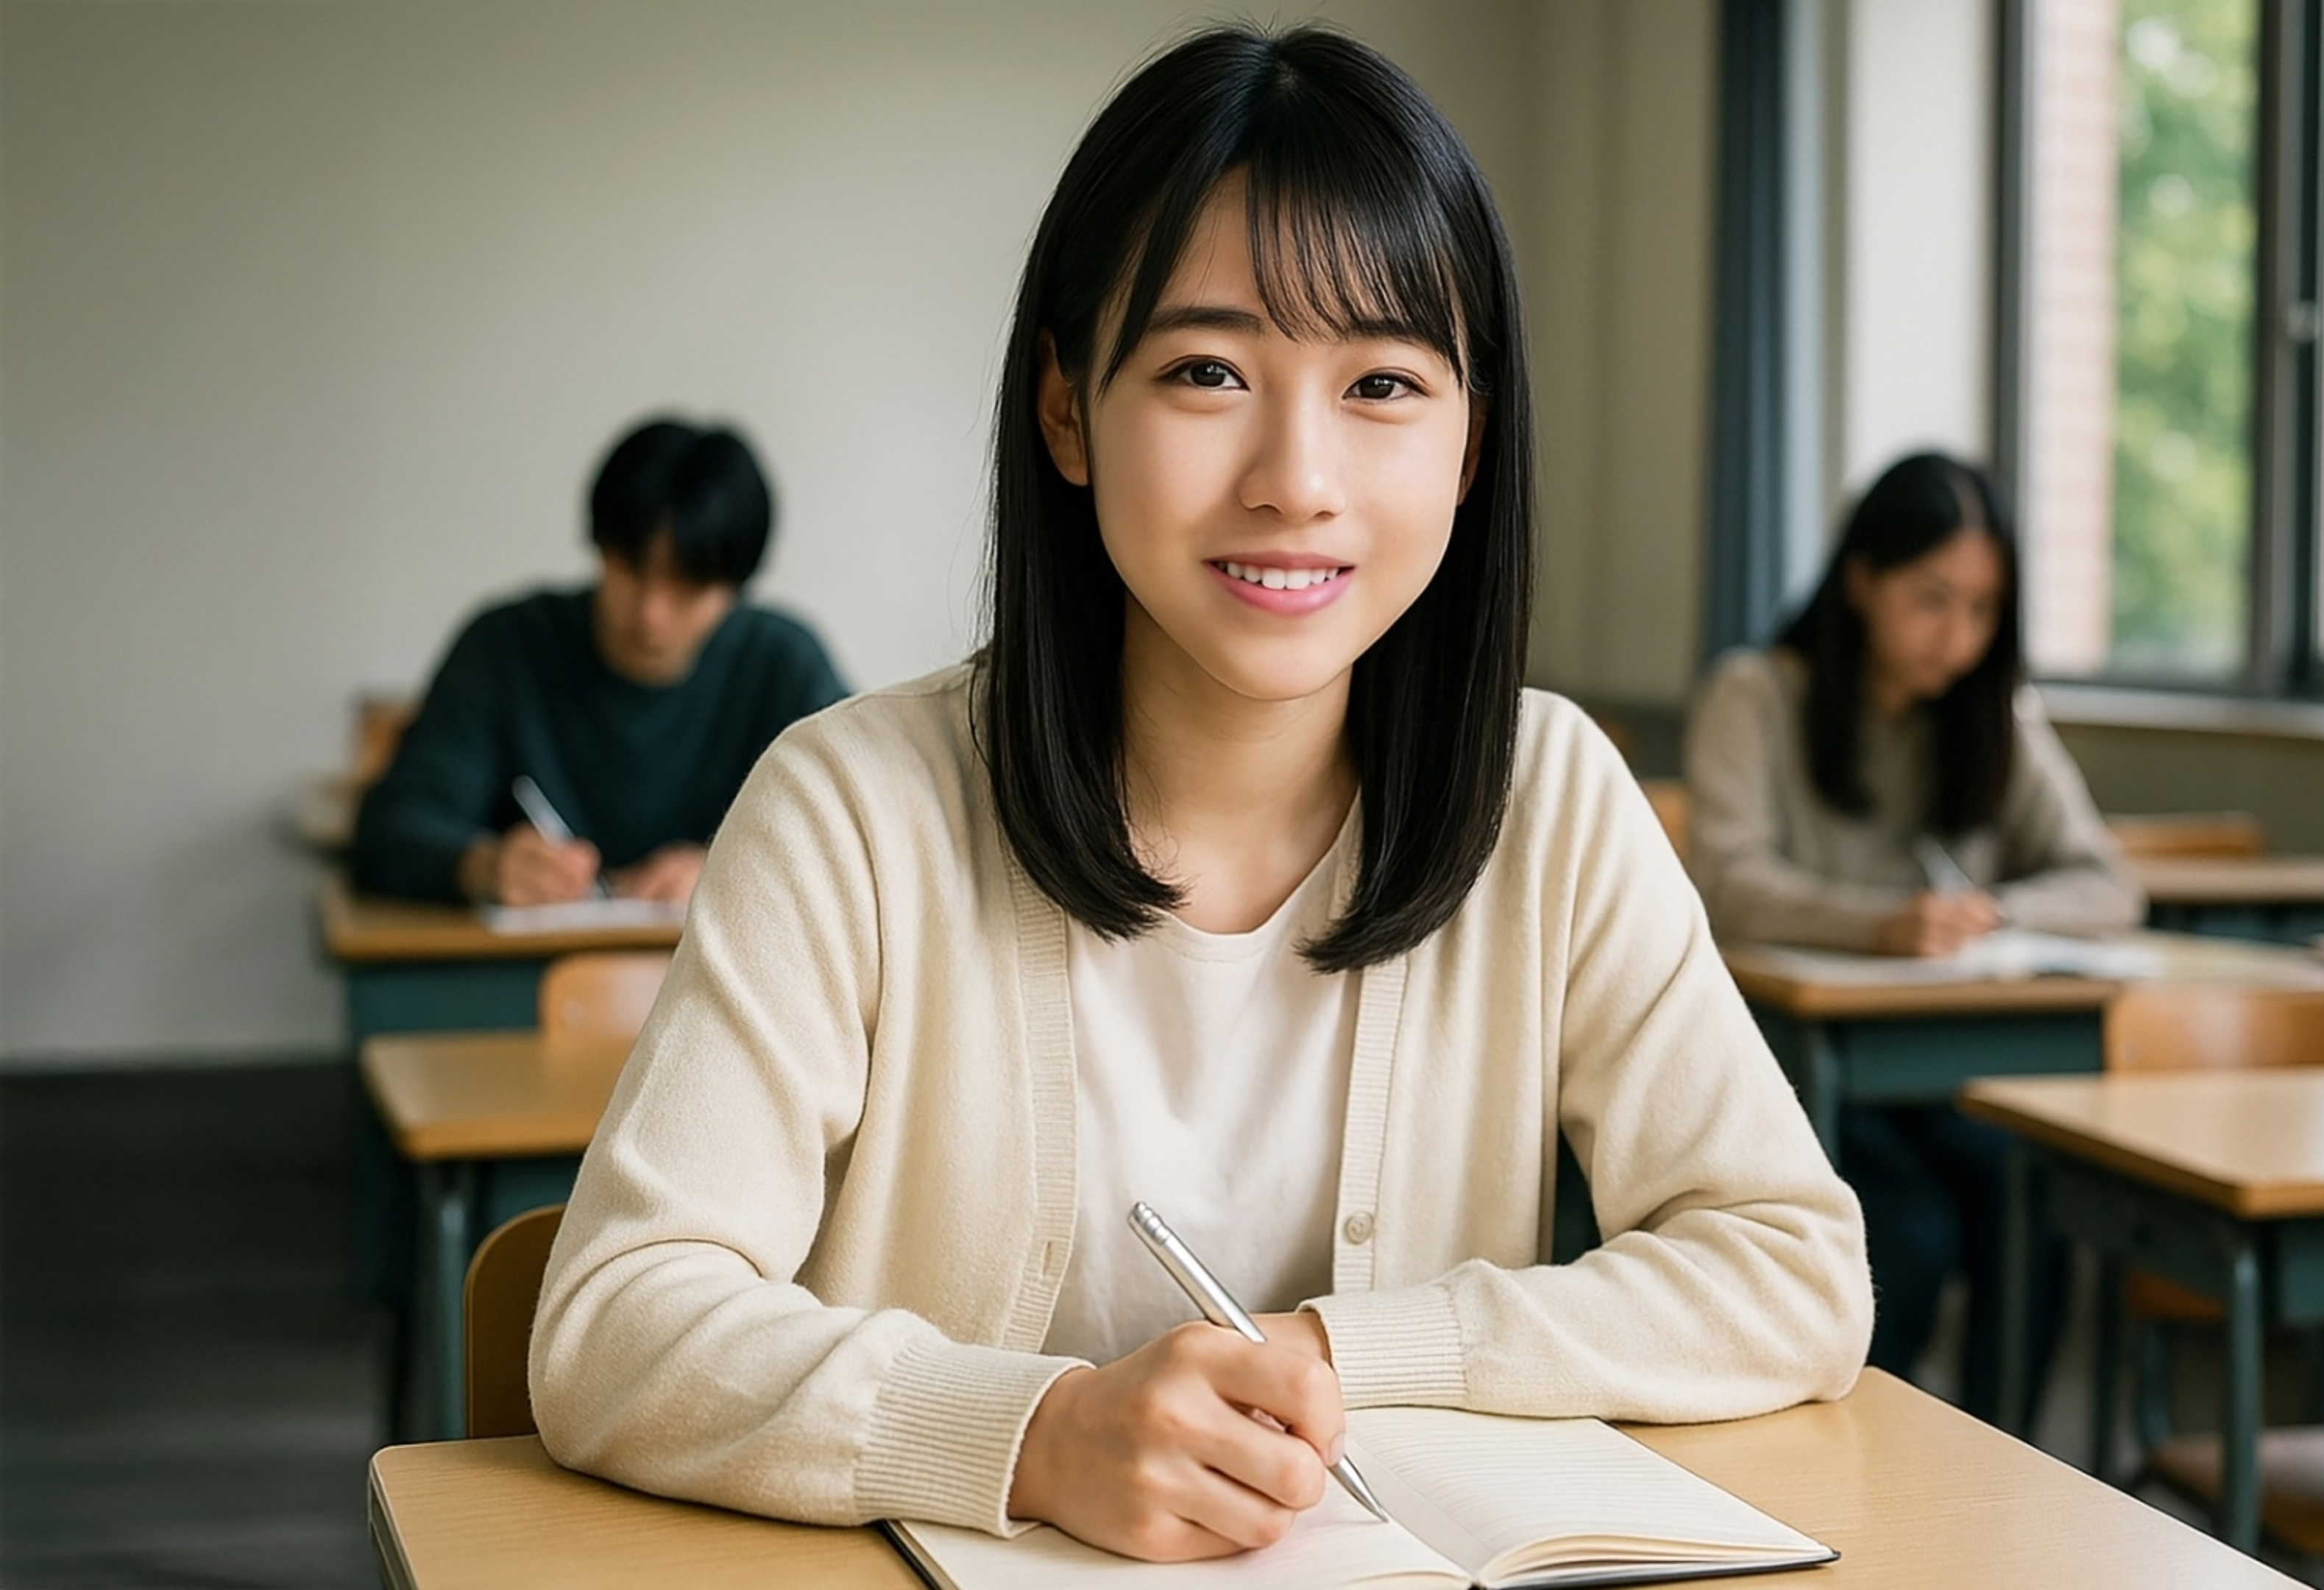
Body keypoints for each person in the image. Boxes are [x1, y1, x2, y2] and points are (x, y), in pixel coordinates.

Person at [530, 24, 1867, 1565]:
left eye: (1381, 381)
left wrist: (1342, 1353)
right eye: (1207, 370)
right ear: (1067, 411)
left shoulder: (1546, 794)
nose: (1296, 477)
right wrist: (1028, 1438)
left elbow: (1790, 1267)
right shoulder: (854, 811)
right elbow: (614, 1325)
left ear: (1471, 440)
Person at [1683, 451, 2141, 1421]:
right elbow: (1725, 885)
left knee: (2028, 1207)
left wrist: (1995, 911)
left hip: (1934, 1072)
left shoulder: (1992, 712)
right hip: (1786, 1069)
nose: (1958, 637)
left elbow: (2107, 882)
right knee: (1906, 1232)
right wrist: (1879, 926)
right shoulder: (1754, 696)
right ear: (1860, 579)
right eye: (1932, 599)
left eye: (1983, 610)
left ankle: (2005, 1472)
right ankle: (1861, 1475)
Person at [350, 417, 846, 908]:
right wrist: (481, 866)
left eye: (688, 585)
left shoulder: (784, 664)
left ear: (735, 587)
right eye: (632, 568)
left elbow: (864, 830)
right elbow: (394, 824)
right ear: (599, 547)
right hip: (520, 976)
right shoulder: (506, 646)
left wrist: (738, 872)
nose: (651, 611)